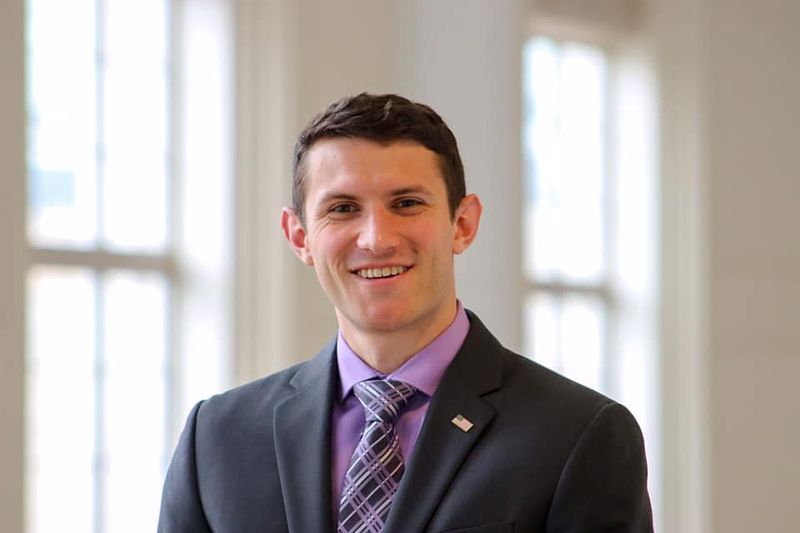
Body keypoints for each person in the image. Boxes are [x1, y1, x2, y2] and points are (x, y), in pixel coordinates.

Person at [158, 93, 654, 533]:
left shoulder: (577, 436)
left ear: (463, 224)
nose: (376, 239)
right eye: (343, 208)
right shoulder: (216, 438)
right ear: (300, 236)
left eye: (407, 203)